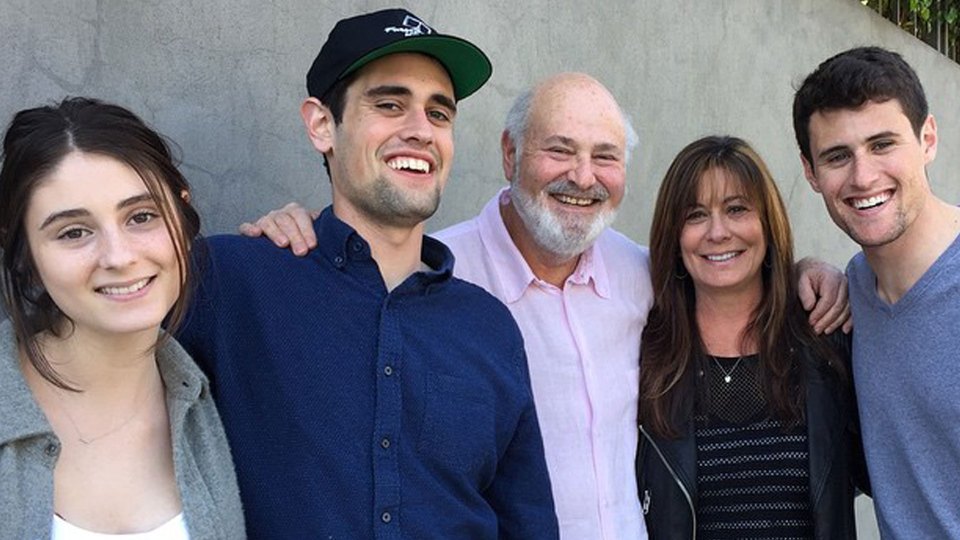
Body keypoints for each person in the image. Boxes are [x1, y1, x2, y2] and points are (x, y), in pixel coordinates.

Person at [244, 73, 852, 540]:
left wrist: (812, 273)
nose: (583, 177)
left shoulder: (641, 276)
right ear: (510, 155)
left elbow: (729, 272)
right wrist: (299, 234)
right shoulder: (434, 277)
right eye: (559, 150)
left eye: (605, 156)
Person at [176, 8, 558, 539]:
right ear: (321, 125)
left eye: (439, 113)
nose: (420, 130)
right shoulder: (232, 281)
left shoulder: (489, 327)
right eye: (389, 104)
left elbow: (528, 522)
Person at [0, 97, 244, 538]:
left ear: (182, 215)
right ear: (25, 254)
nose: (119, 256)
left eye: (142, 217)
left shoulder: (222, 402)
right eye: (74, 232)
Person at [636, 135, 866, 539]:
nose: (718, 232)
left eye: (737, 209)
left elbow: (891, 469)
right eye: (694, 215)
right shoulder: (643, 357)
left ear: (768, 222)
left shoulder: (826, 344)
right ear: (673, 236)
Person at [794, 46, 960, 538]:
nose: (863, 177)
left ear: (927, 138)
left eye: (883, 143)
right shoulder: (857, 289)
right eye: (838, 156)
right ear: (810, 173)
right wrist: (804, 267)